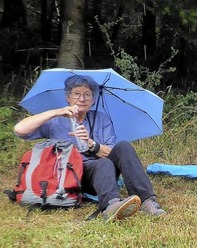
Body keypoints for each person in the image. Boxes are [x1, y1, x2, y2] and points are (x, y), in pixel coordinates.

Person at [14, 75, 166, 222]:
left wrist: (91, 144)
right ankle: (111, 206)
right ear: (68, 97)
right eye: (76, 94)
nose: (82, 98)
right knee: (103, 163)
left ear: (93, 100)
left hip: (99, 175)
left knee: (123, 147)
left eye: (87, 94)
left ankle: (147, 201)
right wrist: (56, 112)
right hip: (67, 174)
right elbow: (19, 129)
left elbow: (112, 153)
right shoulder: (55, 121)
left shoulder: (101, 119)